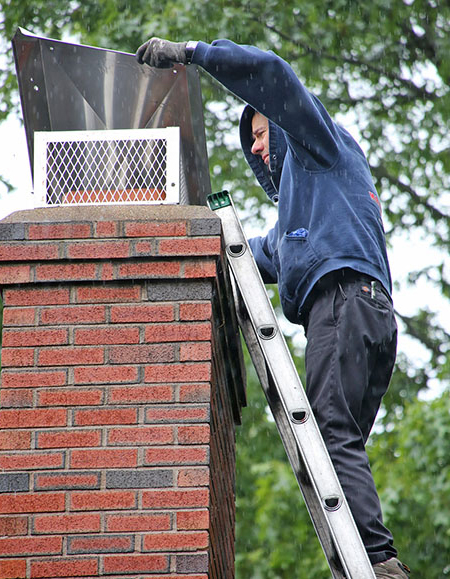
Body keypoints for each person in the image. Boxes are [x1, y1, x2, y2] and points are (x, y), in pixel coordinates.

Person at [136, 37, 410, 578]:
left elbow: (272, 74)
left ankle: (378, 563)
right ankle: (365, 561)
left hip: (344, 303)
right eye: (253, 140)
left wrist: (192, 52)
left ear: (285, 127)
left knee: (330, 437)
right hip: (368, 315)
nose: (257, 147)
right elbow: (251, 253)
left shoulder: (320, 146)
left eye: (262, 134)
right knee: (339, 446)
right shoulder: (296, 226)